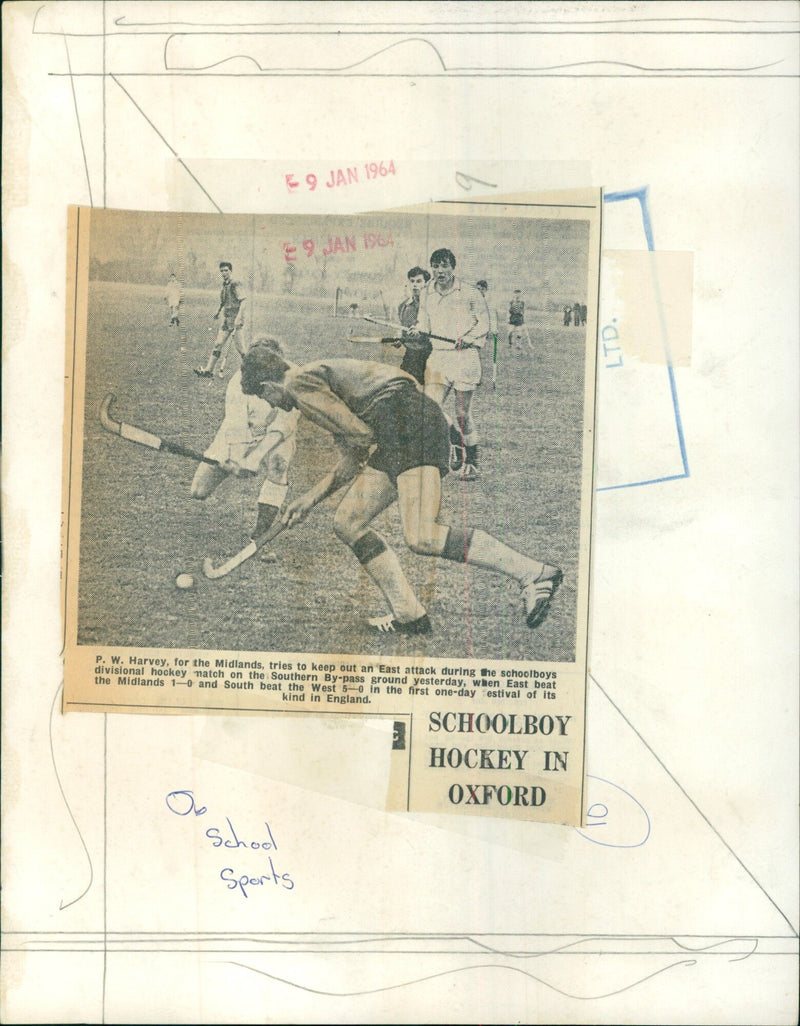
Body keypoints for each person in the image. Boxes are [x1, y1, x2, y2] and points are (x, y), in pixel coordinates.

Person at [239, 349, 563, 636]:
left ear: (268, 387)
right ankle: (409, 614)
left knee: (423, 535)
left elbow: (360, 436)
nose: (273, 406)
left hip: (410, 423)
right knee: (348, 521)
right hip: (400, 425)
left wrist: (320, 484)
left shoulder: (297, 384)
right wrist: (309, 499)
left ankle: (534, 573)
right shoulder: (311, 379)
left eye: (265, 398)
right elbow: (356, 449)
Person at [191, 338, 299, 542]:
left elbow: (283, 426)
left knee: (278, 466)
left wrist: (254, 459)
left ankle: (260, 535)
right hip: (241, 433)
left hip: (276, 436)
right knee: (198, 491)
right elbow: (235, 426)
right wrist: (236, 459)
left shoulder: (293, 378)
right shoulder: (237, 381)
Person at [412, 248, 490, 481]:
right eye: (435, 266)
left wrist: (468, 337)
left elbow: (484, 323)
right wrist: (418, 329)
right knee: (431, 409)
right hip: (438, 357)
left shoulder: (469, 292)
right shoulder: (427, 292)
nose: (440, 271)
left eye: (444, 266)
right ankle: (455, 441)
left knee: (461, 413)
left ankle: (472, 461)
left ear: (452, 267)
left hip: (464, 358)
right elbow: (424, 321)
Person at [195, 261, 247, 378]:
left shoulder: (235, 284)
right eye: (222, 271)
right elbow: (224, 301)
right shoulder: (225, 285)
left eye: (226, 270)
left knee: (242, 350)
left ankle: (253, 371)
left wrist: (239, 318)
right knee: (218, 344)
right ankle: (208, 370)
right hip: (226, 320)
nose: (224, 273)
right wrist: (218, 312)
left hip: (236, 322)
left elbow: (244, 300)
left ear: (231, 271)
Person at [396, 266, 432, 385]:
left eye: (419, 281)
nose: (415, 285)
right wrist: (400, 339)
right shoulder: (403, 306)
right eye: (412, 281)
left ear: (426, 284)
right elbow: (402, 329)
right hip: (410, 355)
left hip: (428, 355)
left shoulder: (432, 306)